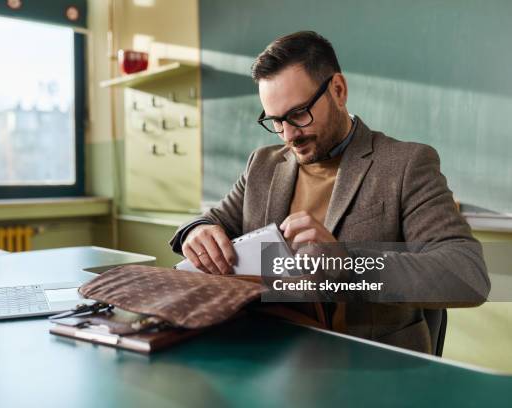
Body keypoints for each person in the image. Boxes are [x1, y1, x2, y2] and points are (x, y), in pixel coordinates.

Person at [169, 31, 490, 353]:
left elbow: (466, 276)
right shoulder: (262, 164)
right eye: (276, 121)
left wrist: (347, 264)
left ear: (338, 90)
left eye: (298, 114)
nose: (289, 135)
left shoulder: (407, 164)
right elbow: (215, 219)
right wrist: (197, 230)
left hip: (369, 367)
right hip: (268, 354)